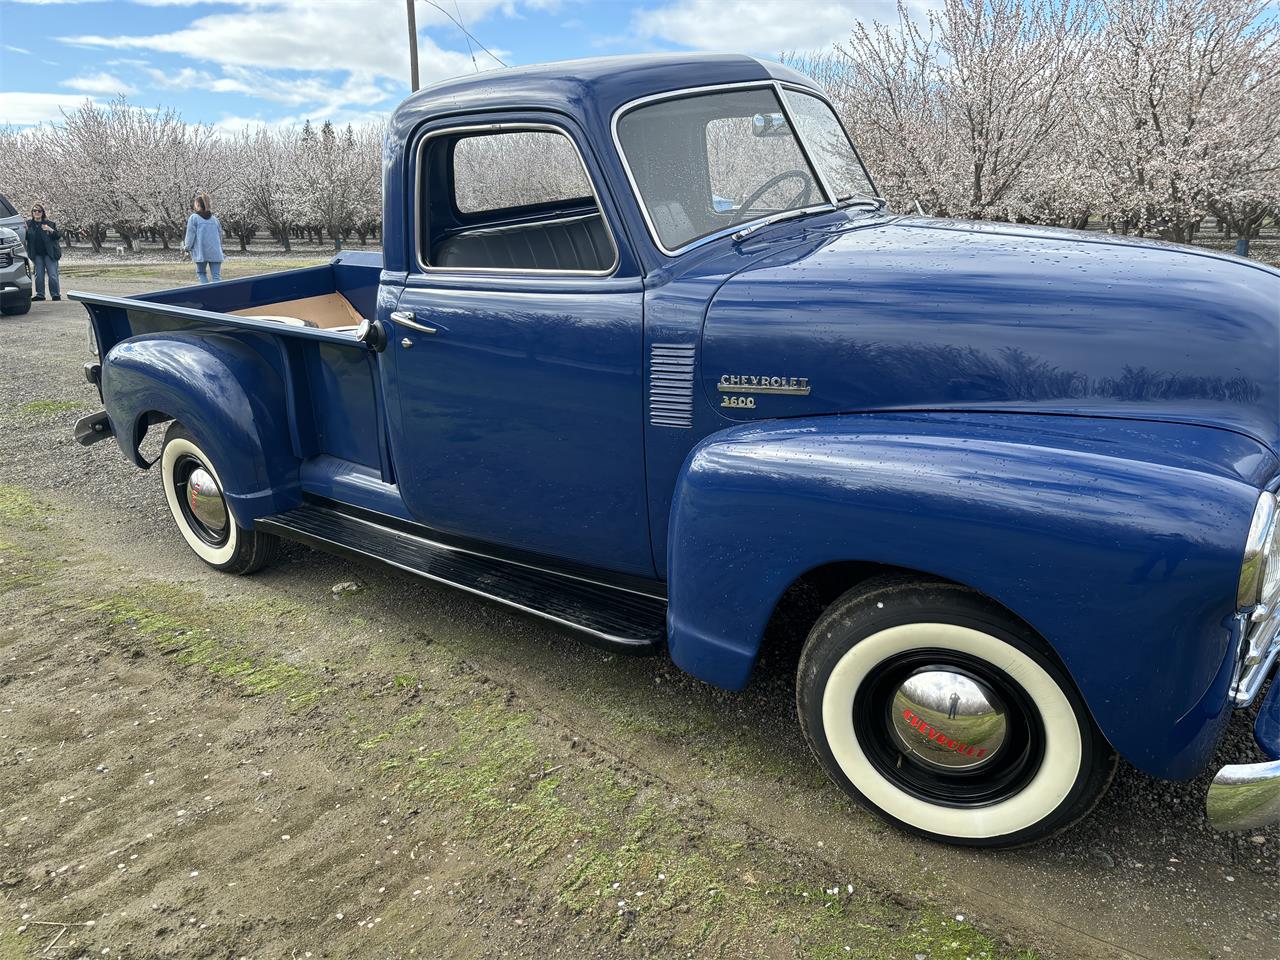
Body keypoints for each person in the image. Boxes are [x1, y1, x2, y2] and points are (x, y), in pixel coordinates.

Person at [183, 192, 225, 283]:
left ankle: (206, 295)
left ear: (197, 205)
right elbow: (220, 236)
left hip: (201, 251)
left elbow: (190, 235)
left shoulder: (194, 218)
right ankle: (217, 295)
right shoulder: (215, 219)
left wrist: (186, 248)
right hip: (215, 251)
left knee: (201, 273)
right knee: (216, 276)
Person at [25, 203, 61, 302]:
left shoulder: (49, 223)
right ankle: (40, 294)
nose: (37, 212)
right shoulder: (28, 224)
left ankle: (55, 294)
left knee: (53, 274)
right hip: (36, 254)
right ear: (32, 213)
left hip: (50, 253)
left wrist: (50, 230)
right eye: (34, 211)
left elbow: (58, 236)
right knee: (39, 275)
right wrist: (26, 232)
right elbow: (25, 238)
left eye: (39, 211)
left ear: (42, 213)